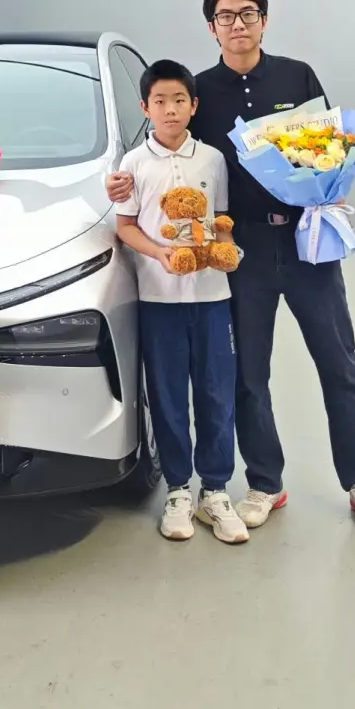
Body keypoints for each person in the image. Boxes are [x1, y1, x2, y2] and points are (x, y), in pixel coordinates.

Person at [107, 0, 355, 540]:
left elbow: (327, 149)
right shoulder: (198, 91)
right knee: (248, 375)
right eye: (226, 16)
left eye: (247, 13)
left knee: (339, 363)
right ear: (211, 27)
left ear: (263, 20)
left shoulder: (297, 76)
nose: (237, 24)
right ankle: (265, 482)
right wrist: (120, 185)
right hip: (242, 253)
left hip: (308, 244)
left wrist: (333, 181)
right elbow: (160, 153)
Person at [114, 58, 248, 545]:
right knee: (168, 395)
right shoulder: (132, 164)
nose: (170, 110)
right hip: (158, 299)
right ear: (145, 107)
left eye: (178, 101)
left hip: (212, 297)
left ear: (194, 105)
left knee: (217, 392)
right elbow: (125, 226)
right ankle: (177, 490)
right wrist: (160, 253)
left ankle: (216, 489)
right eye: (160, 101)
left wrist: (226, 251)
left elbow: (222, 220)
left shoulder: (212, 159)